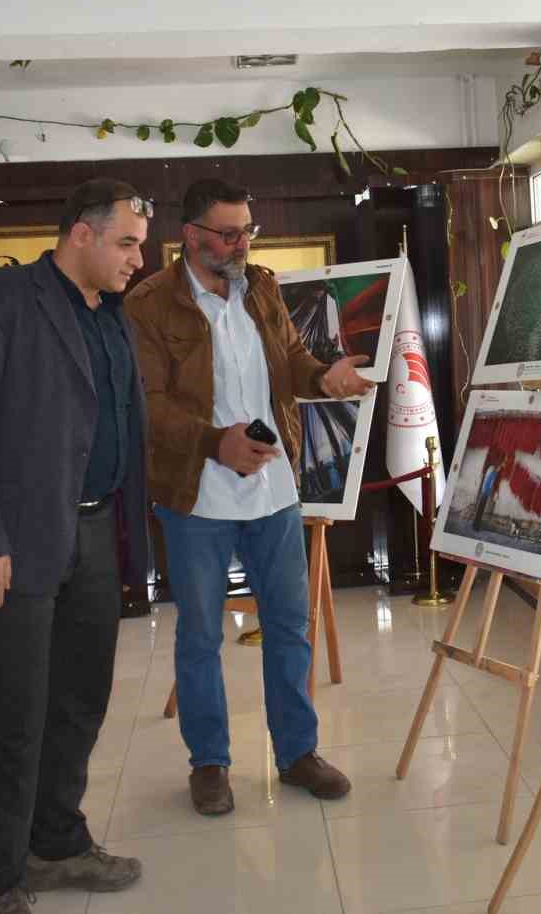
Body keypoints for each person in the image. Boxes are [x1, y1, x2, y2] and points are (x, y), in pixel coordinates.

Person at [0, 178, 153, 914]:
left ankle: (56, 841)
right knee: (9, 717)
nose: (137, 259)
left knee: (78, 704)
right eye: (126, 243)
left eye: (141, 246)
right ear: (80, 236)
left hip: (93, 533)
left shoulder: (112, 315)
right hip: (14, 545)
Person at [126, 178, 375, 816]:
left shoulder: (260, 285)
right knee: (201, 635)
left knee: (290, 626)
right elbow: (145, 407)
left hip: (275, 492)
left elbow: (288, 360)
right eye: (228, 234)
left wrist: (325, 377)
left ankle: (297, 754)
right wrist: (216, 443)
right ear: (190, 235)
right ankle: (209, 764)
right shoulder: (149, 304)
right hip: (195, 498)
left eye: (248, 231)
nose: (241, 245)